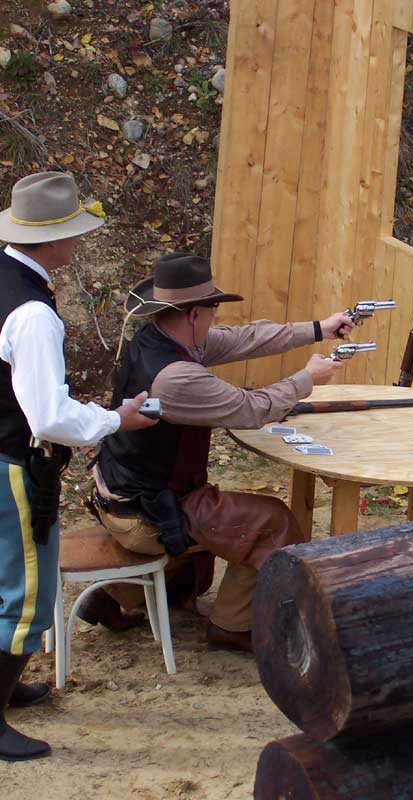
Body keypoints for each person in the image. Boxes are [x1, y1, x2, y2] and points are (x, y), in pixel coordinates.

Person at [87, 252, 354, 652]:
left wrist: (319, 328)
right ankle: (232, 626)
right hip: (146, 507)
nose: (215, 319)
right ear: (194, 314)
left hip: (122, 487)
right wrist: (306, 379)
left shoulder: (155, 337)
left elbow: (246, 338)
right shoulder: (177, 377)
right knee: (272, 520)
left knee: (216, 524)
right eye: (211, 310)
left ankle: (115, 596)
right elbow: (251, 410)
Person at [0, 172, 156, 762]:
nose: (78, 243)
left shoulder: (5, 276)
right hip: (14, 462)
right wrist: (116, 420)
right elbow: (48, 417)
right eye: (74, 233)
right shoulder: (34, 314)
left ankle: (7, 690)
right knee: (26, 598)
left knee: (4, 583)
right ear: (55, 239)